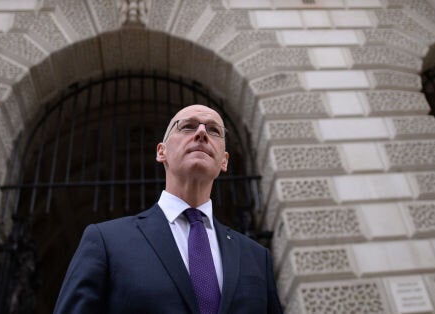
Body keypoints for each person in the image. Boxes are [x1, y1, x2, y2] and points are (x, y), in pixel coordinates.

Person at [54, 104, 282, 313]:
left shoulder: (256, 257)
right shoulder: (106, 240)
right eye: (187, 127)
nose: (201, 133)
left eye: (214, 130)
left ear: (224, 161)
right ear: (161, 152)